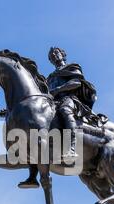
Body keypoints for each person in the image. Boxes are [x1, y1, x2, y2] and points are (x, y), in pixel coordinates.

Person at [18, 47, 98, 189]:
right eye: (51, 55)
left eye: (56, 53)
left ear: (63, 54)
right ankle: (32, 176)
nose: (54, 55)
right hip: (52, 103)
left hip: (69, 99)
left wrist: (58, 90)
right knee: (34, 125)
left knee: (65, 110)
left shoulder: (71, 67)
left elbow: (77, 83)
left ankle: (72, 147)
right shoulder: (49, 78)